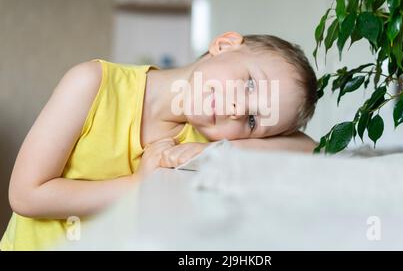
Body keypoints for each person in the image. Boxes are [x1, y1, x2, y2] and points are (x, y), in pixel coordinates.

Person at [1, 31, 318, 250]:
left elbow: (313, 148)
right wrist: (138, 184)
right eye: (250, 85)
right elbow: (26, 196)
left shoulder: (200, 144)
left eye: (252, 121)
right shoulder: (91, 83)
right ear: (224, 44)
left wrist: (220, 147)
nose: (237, 110)